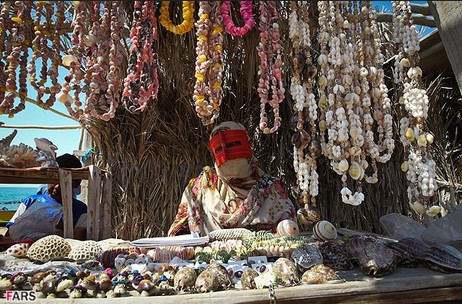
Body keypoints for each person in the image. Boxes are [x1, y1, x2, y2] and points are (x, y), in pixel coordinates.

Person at [168, 121, 296, 236]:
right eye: (219, 148)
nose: (227, 154)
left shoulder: (270, 188)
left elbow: (289, 231)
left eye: (234, 144)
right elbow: (180, 232)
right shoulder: (199, 188)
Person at [6, 154, 87, 241]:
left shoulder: (81, 210)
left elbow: (81, 236)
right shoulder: (30, 201)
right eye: (54, 179)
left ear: (76, 183)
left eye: (63, 181)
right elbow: (9, 232)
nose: (56, 186)